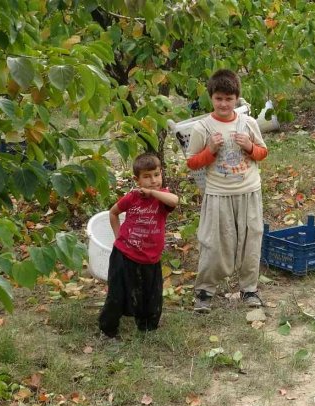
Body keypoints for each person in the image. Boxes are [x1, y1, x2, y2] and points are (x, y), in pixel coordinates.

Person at [186, 69, 269, 313]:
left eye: (229, 98)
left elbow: (262, 153)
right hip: (218, 194)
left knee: (251, 239)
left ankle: (249, 289)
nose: (224, 103)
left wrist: (250, 146)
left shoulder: (248, 123)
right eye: (219, 98)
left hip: (249, 191)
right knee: (214, 243)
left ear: (236, 99)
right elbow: (192, 163)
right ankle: (204, 292)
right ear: (211, 98)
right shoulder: (203, 128)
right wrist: (210, 150)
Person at [99, 153, 179, 337]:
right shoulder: (132, 197)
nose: (153, 180)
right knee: (117, 294)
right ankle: (108, 330)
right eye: (147, 176)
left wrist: (152, 193)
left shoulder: (163, 197)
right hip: (124, 255)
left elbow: (174, 201)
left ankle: (147, 328)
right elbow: (113, 213)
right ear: (137, 179)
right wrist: (118, 238)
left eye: (156, 175)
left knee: (151, 296)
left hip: (150, 257)